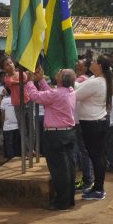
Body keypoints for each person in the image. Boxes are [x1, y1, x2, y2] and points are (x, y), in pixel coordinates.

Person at [26, 67, 78, 210]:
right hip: (68, 133)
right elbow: (51, 95)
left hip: (55, 136)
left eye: (60, 72)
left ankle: (61, 202)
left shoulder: (56, 94)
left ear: (61, 79)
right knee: (69, 168)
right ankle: (68, 200)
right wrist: (41, 80)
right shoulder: (70, 91)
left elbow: (36, 96)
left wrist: (29, 82)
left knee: (59, 170)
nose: (58, 71)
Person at [75, 55, 113, 201]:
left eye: (96, 62)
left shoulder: (96, 82)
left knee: (96, 157)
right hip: (97, 122)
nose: (92, 62)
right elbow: (79, 87)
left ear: (100, 66)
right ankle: (97, 187)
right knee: (97, 156)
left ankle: (98, 189)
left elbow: (75, 95)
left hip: (92, 124)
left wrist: (67, 82)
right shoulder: (97, 79)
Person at [0, 91, 20, 160]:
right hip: (16, 125)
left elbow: (3, 114)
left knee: (9, 144)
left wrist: (2, 125)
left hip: (7, 126)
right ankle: (16, 159)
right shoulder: (17, 99)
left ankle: (10, 159)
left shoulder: (4, 100)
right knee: (16, 144)